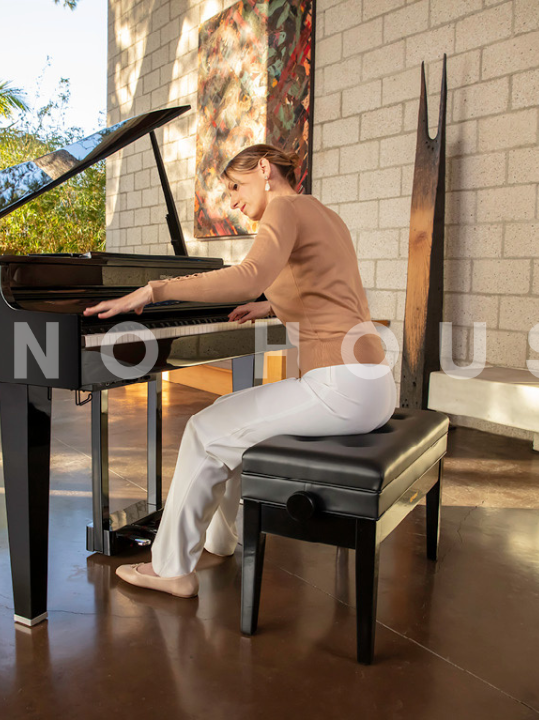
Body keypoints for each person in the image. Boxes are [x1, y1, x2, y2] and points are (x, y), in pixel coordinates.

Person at [82, 144, 396, 598]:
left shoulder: (283, 209)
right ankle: (221, 539)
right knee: (230, 416)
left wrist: (154, 290)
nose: (232, 201)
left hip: (339, 387)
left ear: (265, 169)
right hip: (374, 385)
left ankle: (171, 569)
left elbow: (250, 274)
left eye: (235, 186)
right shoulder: (324, 214)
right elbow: (327, 287)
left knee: (203, 429)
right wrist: (270, 306)